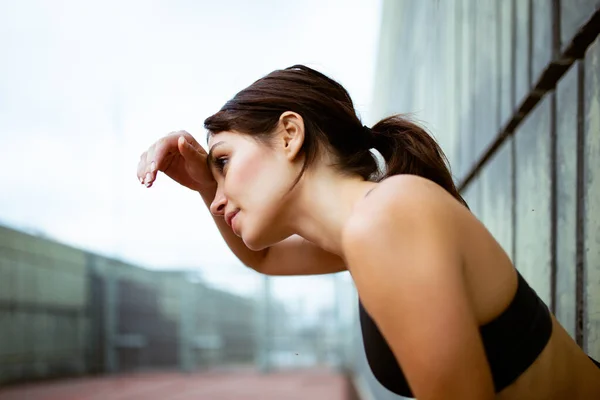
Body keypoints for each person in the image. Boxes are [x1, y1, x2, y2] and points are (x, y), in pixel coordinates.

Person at [136, 65, 600, 399]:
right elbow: (263, 258)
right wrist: (203, 183)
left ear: (289, 134)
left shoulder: (384, 220)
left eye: (223, 162)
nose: (218, 198)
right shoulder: (373, 221)